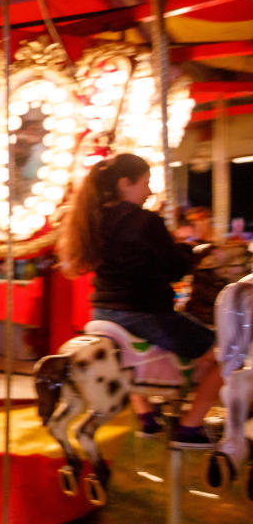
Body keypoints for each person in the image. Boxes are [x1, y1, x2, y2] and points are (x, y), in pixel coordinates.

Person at [58, 153, 222, 447]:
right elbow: (175, 269)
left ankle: (147, 417)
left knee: (126, 359)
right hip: (144, 312)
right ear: (125, 183)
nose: (149, 191)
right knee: (226, 354)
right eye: (145, 183)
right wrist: (190, 250)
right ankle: (191, 426)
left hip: (103, 313)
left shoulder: (91, 217)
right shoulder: (144, 221)